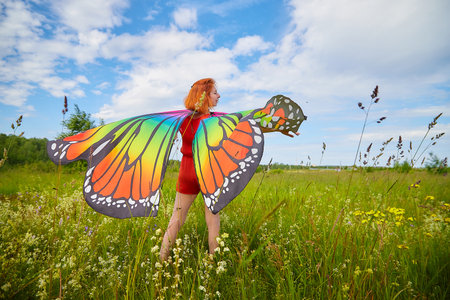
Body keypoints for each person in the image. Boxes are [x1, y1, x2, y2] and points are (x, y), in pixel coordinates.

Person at [160, 78, 220, 261]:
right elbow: (248, 125)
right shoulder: (215, 120)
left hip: (186, 170)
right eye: (215, 93)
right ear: (205, 96)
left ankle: (161, 261)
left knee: (176, 219)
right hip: (208, 171)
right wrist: (277, 128)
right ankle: (213, 262)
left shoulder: (182, 120)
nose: (219, 95)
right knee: (213, 219)